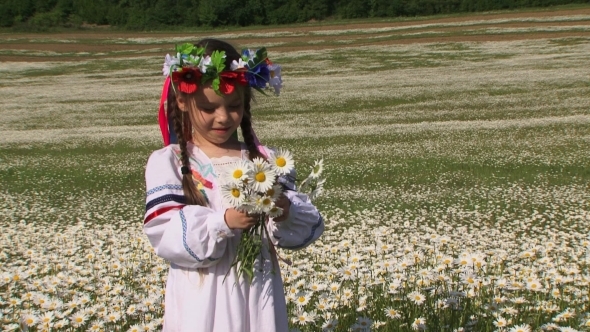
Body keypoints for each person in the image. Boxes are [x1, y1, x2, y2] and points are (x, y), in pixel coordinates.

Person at [143, 38, 324, 332]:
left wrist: (285, 209)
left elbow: (306, 225)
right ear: (182, 101)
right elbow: (164, 231)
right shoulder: (171, 162)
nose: (223, 117)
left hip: (258, 290)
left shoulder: (265, 159)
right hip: (202, 294)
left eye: (234, 106)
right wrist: (223, 222)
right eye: (208, 107)